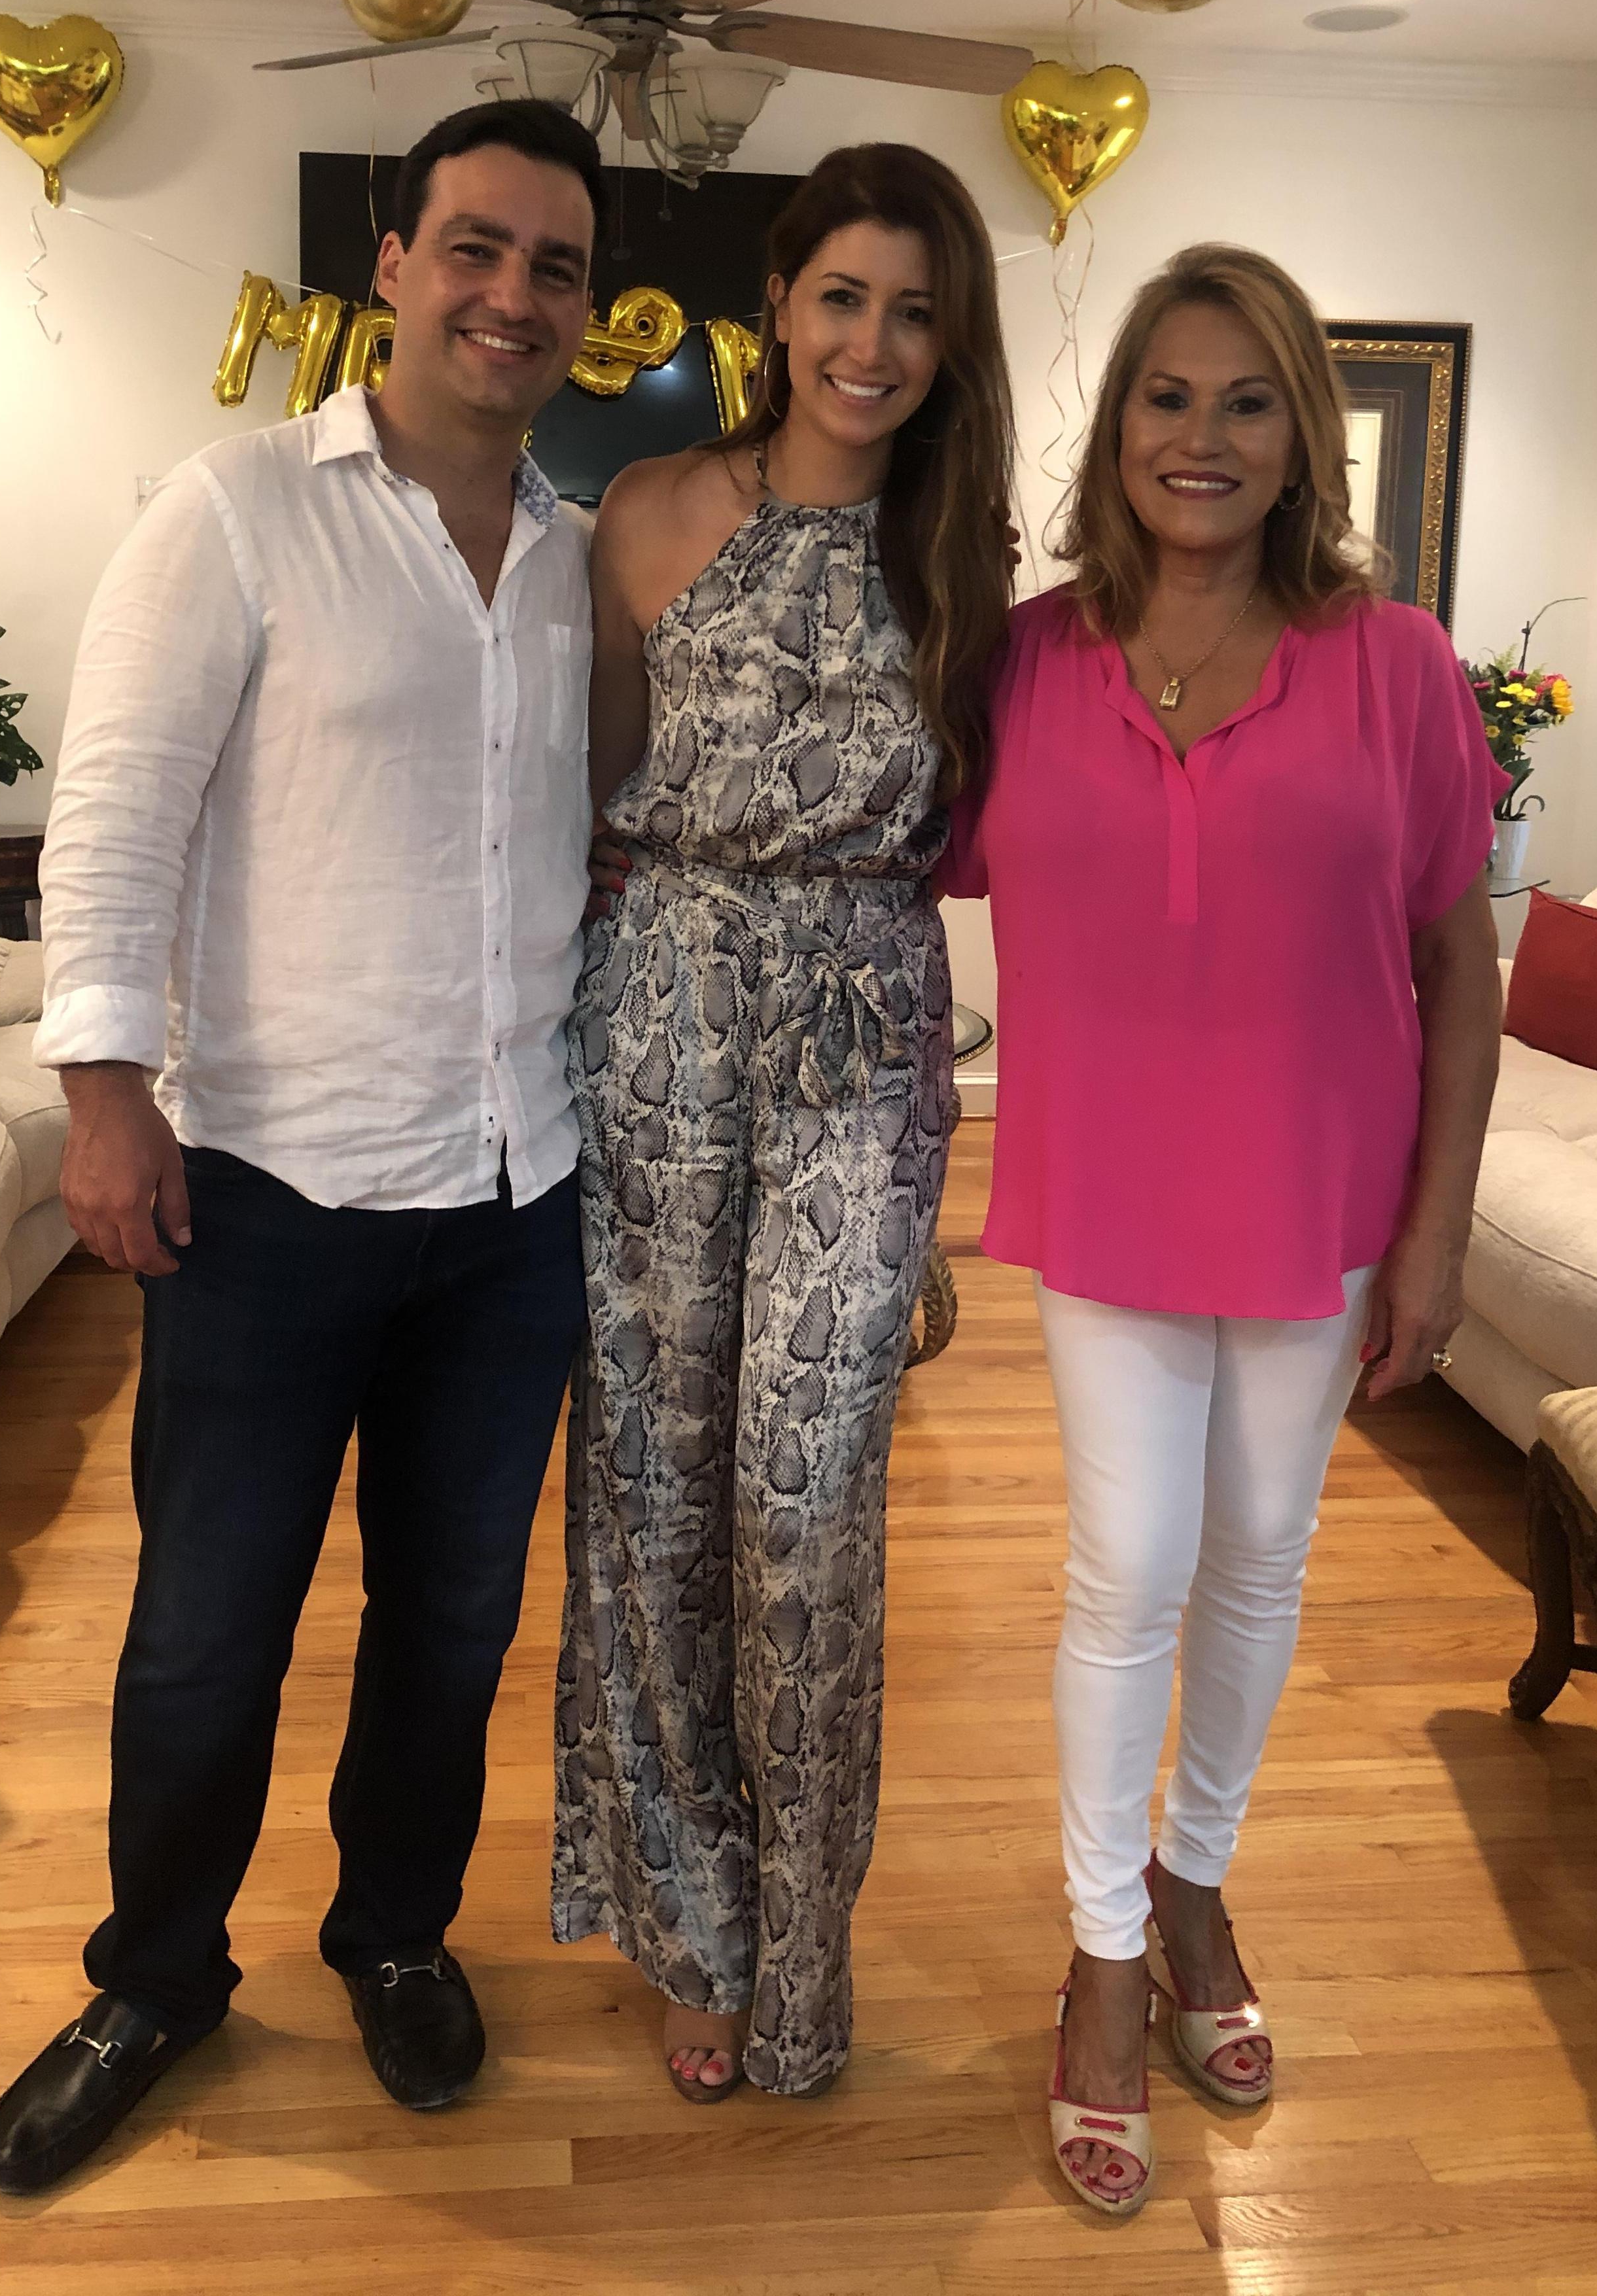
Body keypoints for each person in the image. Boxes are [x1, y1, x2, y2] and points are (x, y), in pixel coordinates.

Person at [0, 99, 606, 2192]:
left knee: (452, 1622)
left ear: (587, 312)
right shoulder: (236, 509)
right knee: (207, 1629)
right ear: (394, 267)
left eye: (556, 266)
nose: (512, 294)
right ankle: (155, 1977)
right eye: (475, 247)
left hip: (514, 1203)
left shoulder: (584, 562)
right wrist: (101, 1093)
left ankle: (394, 1931)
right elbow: (116, 809)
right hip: (268, 1195)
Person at [938, 243, 1507, 2216]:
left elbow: (1461, 969)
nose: (1204, 437)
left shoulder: (1398, 664)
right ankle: (1104, 1955)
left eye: (1247, 401)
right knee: (1131, 1568)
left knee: (1261, 1564)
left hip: (1325, 1201)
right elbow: (880, 872)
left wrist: (1436, 1238)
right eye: (1168, 399)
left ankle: (1195, 1889)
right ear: (1119, 431)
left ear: (1301, 438)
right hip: (1106, 1194)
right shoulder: (1023, 662)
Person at [553, 144, 1017, 2102]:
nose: (874, 344)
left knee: (808, 1505)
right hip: (657, 1011)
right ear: (781, 299)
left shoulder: (967, 560)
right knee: (653, 1487)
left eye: (916, 311)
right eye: (845, 296)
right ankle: (693, 1931)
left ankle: (801, 1948)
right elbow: (577, 796)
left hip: (862, 1031)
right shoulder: (648, 511)